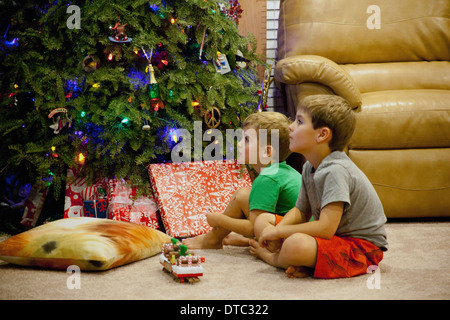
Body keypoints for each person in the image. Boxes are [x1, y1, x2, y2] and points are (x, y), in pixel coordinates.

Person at [249, 95, 388, 279]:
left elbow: (325, 228)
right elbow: (300, 211)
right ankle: (307, 262)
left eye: (299, 122)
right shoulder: (309, 166)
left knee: (295, 244)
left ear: (322, 135)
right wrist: (276, 231)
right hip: (333, 239)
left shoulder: (336, 170)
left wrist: (280, 232)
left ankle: (273, 258)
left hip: (360, 249)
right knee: (262, 220)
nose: (290, 126)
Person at [183, 111, 302, 249]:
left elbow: (254, 227)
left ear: (267, 152)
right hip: (289, 230)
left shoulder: (267, 178)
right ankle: (223, 238)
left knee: (242, 195)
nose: (239, 144)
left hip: (289, 241)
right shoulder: (280, 171)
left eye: (246, 140)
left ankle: (212, 239)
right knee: (244, 196)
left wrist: (219, 220)